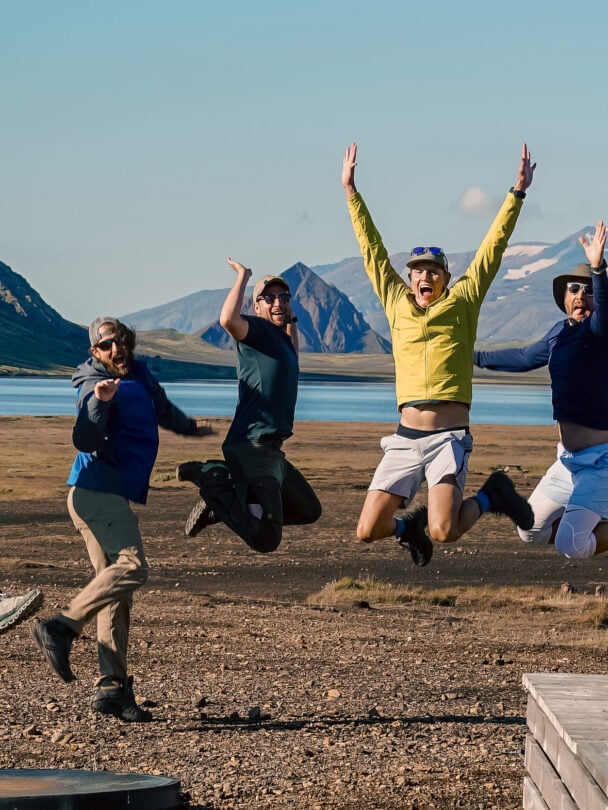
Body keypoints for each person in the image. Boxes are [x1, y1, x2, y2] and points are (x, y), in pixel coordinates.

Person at [341, 142, 536, 566]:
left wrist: (516, 193)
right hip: (405, 438)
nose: (425, 276)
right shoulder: (396, 302)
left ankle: (493, 495)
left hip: (448, 437)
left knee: (444, 531)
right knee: (367, 530)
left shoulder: (463, 301)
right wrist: (351, 193)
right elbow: (372, 251)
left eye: (433, 271)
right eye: (418, 271)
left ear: (446, 277)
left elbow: (491, 250)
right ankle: (407, 529)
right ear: (409, 279)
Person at [30, 317, 211, 722]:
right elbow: (85, 437)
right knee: (133, 567)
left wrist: (191, 429)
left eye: (122, 341)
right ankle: (61, 628)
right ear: (95, 352)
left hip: (107, 493)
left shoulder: (138, 374)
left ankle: (111, 688)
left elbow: (162, 408)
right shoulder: (92, 383)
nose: (117, 349)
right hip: (96, 493)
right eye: (107, 344)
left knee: (115, 588)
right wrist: (100, 401)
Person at [475, 222, 608, 557]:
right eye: (574, 289)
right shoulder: (557, 333)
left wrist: (599, 268)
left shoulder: (600, 332)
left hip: (601, 463)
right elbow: (522, 357)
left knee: (572, 545)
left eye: (589, 290)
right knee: (530, 530)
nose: (581, 295)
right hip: (567, 461)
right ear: (564, 298)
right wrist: (470, 357)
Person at [177, 258, 322, 553]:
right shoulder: (256, 331)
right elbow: (228, 320)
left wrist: (292, 319)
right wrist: (243, 276)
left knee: (308, 510)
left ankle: (222, 505)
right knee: (265, 539)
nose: (278, 303)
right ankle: (211, 478)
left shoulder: (281, 341)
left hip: (272, 451)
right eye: (269, 299)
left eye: (283, 298)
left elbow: (294, 356)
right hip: (252, 447)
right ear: (256, 307)